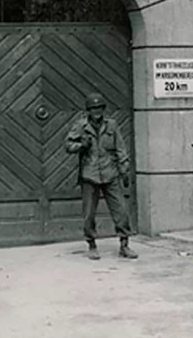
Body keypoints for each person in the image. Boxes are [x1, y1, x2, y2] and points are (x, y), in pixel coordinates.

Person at [65, 93, 138, 260]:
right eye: (93, 109)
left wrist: (124, 169)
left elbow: (121, 148)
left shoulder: (111, 125)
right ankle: (91, 244)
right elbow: (68, 145)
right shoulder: (80, 126)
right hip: (89, 174)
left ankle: (124, 244)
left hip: (110, 173)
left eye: (99, 108)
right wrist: (80, 145)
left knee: (121, 210)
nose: (96, 111)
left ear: (103, 109)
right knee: (89, 213)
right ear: (88, 111)